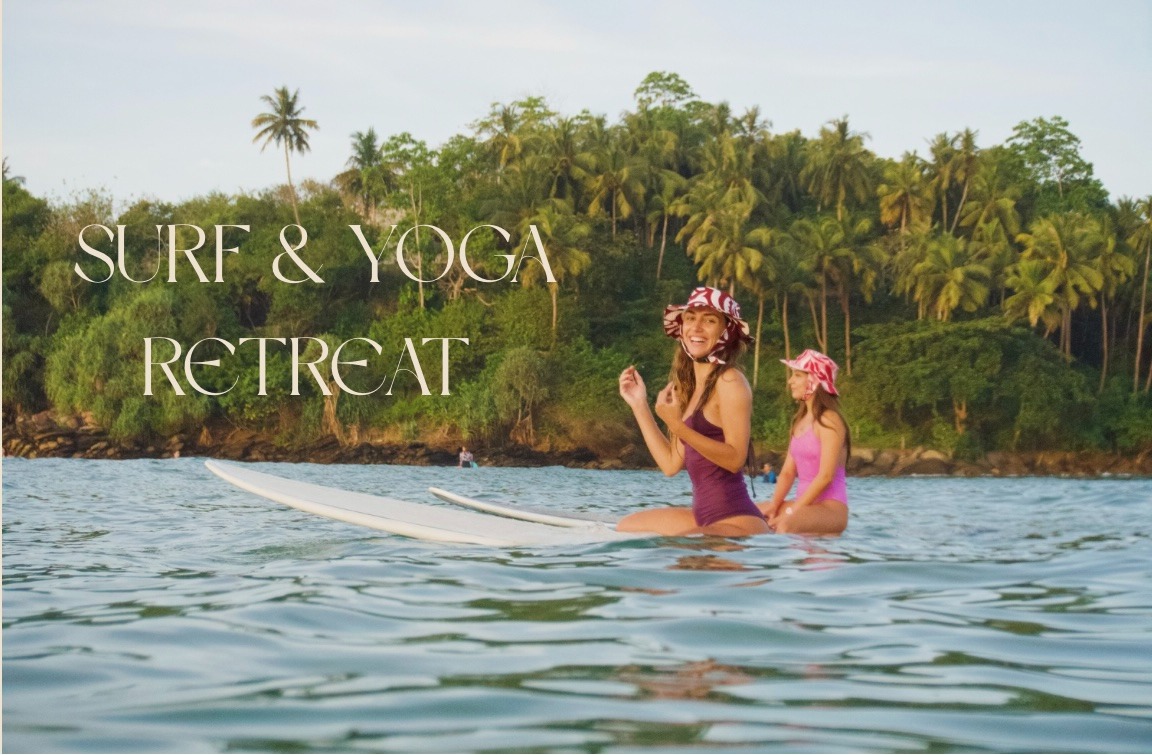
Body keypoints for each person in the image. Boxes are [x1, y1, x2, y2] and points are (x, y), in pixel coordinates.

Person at [617, 287, 770, 537]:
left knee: (679, 550)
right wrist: (639, 404)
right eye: (690, 318)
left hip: (737, 522)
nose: (696, 327)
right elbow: (670, 465)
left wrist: (678, 426)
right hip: (705, 519)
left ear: (726, 331)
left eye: (709, 320)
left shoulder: (730, 381)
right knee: (625, 526)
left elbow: (735, 460)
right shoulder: (691, 390)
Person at [759, 349, 849, 535]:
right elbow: (787, 473)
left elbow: (825, 477)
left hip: (830, 510)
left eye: (797, 375)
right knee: (748, 516)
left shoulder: (829, 420)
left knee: (785, 526)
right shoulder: (799, 422)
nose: (790, 381)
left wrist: (791, 512)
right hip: (805, 507)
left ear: (814, 381)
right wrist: (774, 506)